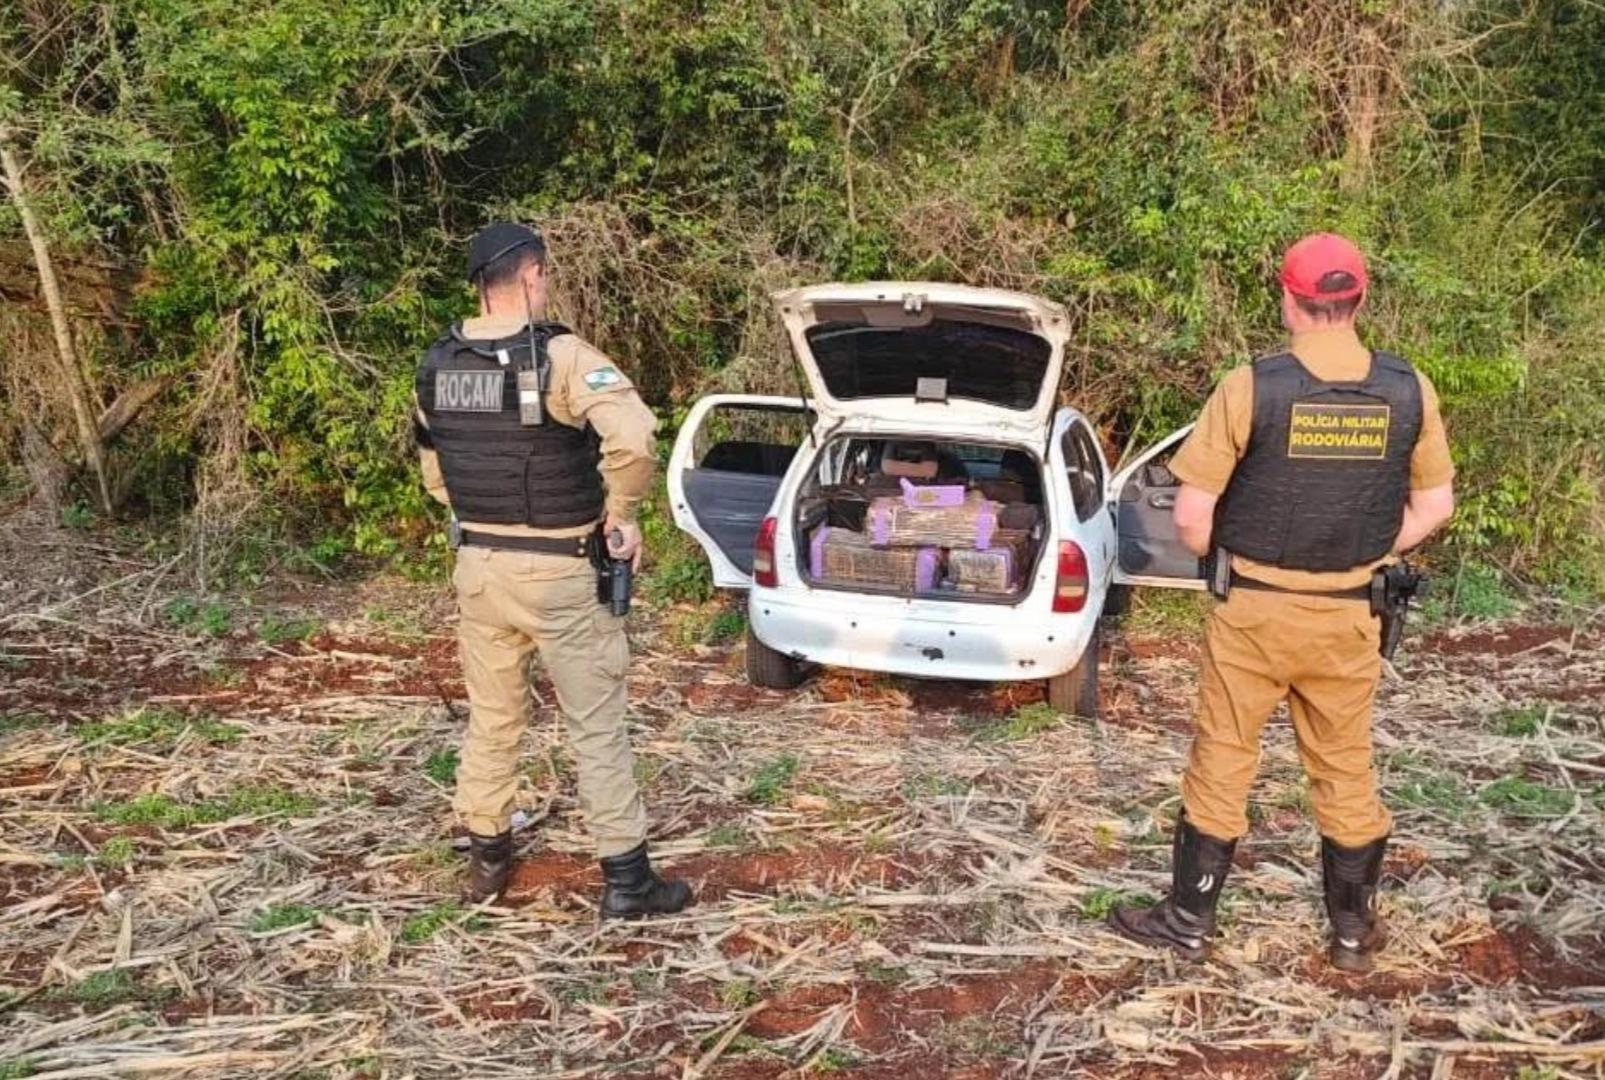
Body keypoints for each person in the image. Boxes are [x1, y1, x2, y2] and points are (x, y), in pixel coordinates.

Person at [1109, 233, 1455, 971]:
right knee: (1345, 767)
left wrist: (1220, 557)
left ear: (1287, 299)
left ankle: (1189, 922)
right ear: (1359, 299)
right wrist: (1370, 547)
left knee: (1223, 759)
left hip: (1254, 613)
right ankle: (1353, 934)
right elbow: (1434, 503)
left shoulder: (1251, 386)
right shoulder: (1406, 388)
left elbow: (1192, 518)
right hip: (1350, 615)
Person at [414, 222, 692, 919]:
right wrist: (620, 516)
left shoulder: (438, 363)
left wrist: (478, 519)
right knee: (595, 725)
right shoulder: (563, 356)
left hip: (479, 567)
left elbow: (433, 466)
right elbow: (632, 437)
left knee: (492, 717)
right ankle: (627, 881)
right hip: (563, 570)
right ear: (533, 275)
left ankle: (486, 860)